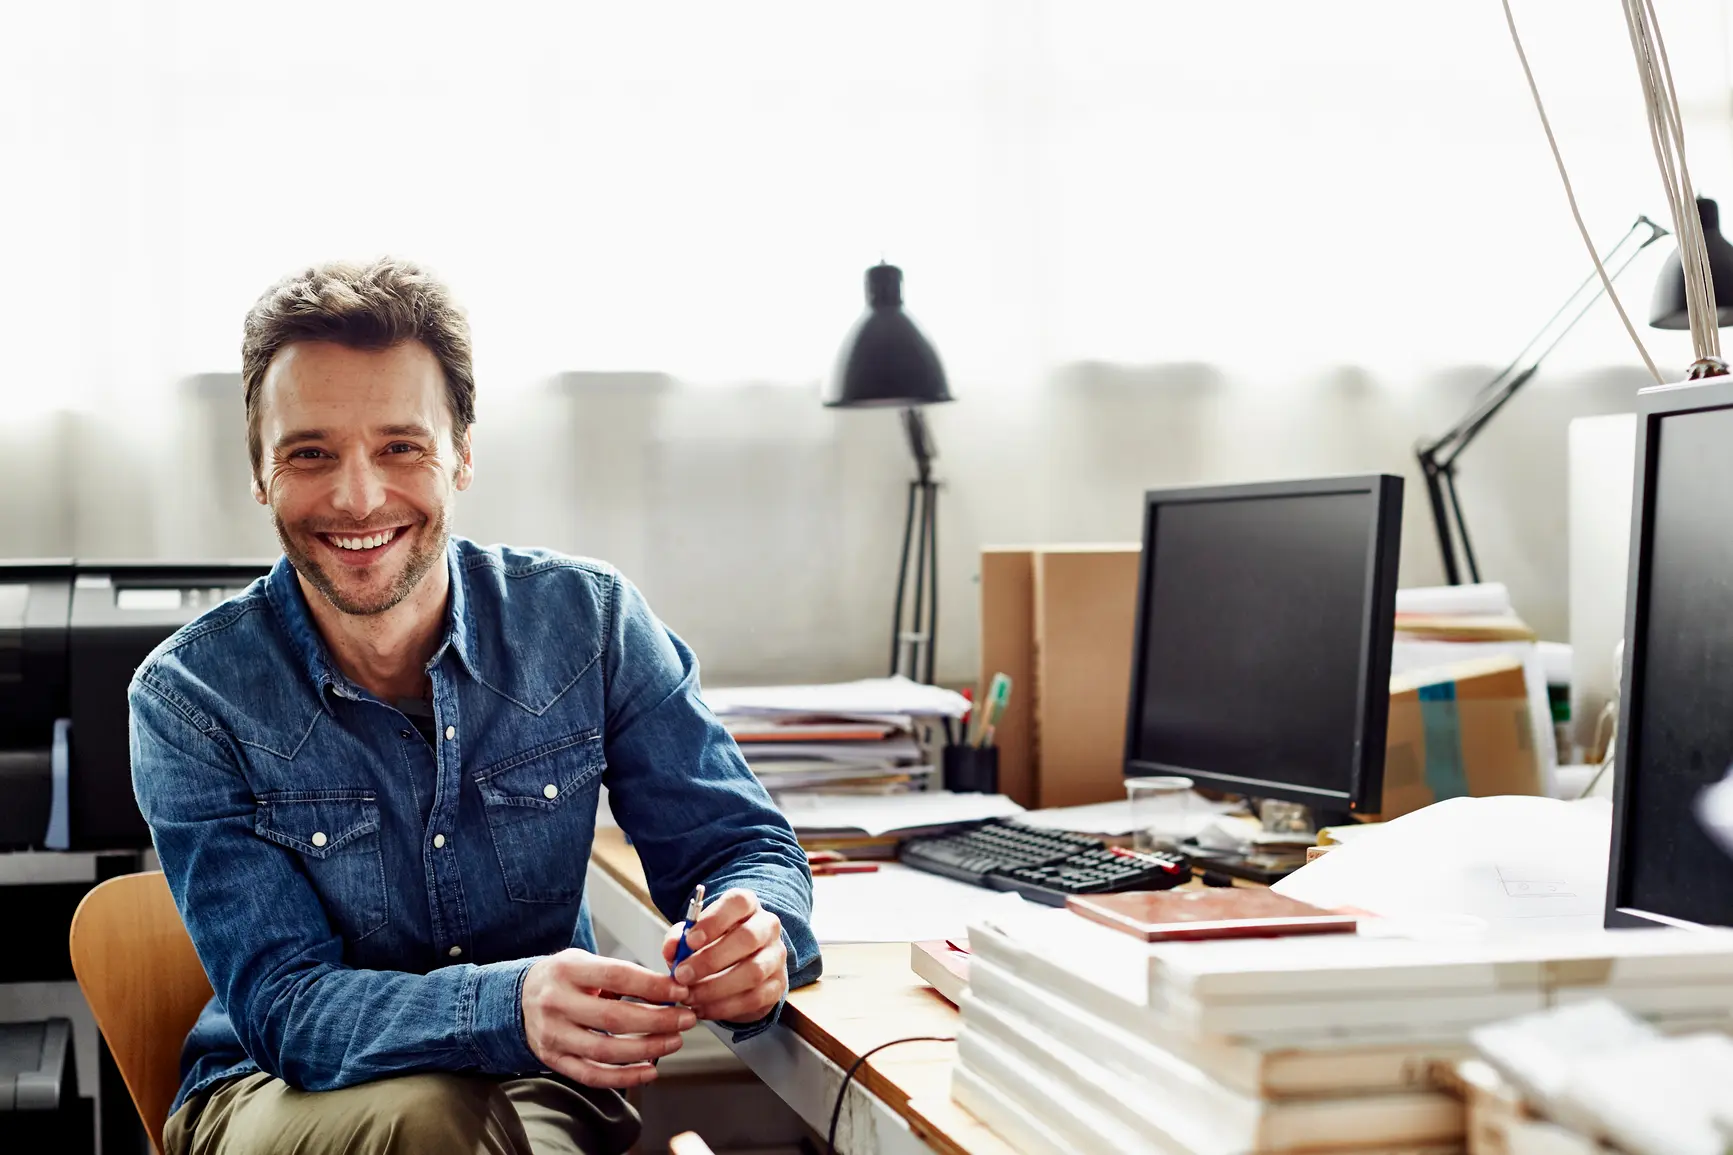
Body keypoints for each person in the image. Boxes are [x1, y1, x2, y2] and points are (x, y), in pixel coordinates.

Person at [129, 257, 820, 1155]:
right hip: (274, 1094)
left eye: (400, 446)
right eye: (310, 453)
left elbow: (740, 846)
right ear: (261, 472)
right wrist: (508, 1001)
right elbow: (287, 1007)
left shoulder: (590, 622)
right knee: (433, 1121)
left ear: (460, 452)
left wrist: (757, 930)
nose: (357, 496)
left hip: (534, 1088)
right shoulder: (189, 697)